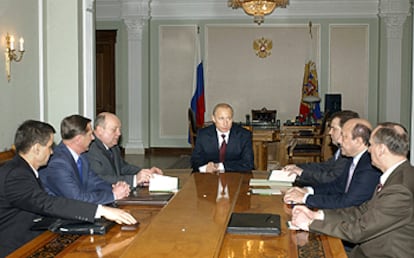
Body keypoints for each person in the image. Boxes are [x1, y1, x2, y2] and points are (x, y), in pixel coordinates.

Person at [0, 120, 137, 257]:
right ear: (36, 149)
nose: (52, 152)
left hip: (36, 237)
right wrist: (101, 210)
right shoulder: (16, 175)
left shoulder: (22, 169)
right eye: (49, 147)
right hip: (17, 249)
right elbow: (47, 203)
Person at [291, 122, 414, 258]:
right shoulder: (401, 174)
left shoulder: (399, 189)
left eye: (371, 145)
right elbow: (362, 210)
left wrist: (310, 223)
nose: (368, 150)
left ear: (381, 150)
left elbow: (359, 231)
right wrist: (318, 215)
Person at [283, 118, 381, 209]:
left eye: (344, 136)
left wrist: (305, 198)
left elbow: (348, 202)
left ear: (358, 141)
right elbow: (337, 187)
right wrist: (308, 190)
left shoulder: (369, 167)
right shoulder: (353, 158)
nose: (339, 140)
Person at [40, 115, 130, 205]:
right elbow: (76, 199)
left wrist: (113, 187)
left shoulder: (82, 156)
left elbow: (93, 181)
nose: (93, 138)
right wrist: (113, 195)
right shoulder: (57, 164)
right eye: (90, 134)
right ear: (78, 139)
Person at [85, 112, 162, 187]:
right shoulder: (90, 149)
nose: (119, 133)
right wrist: (134, 180)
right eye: (114, 129)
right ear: (100, 130)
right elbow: (100, 179)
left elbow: (122, 167)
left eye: (119, 129)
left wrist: (146, 173)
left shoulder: (113, 147)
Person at [283, 110, 359, 187]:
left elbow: (331, 179)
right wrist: (298, 167)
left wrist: (302, 173)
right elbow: (325, 166)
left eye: (334, 129)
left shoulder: (348, 154)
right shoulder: (341, 150)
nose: (329, 132)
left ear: (346, 130)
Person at [191, 103, 254, 173]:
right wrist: (205, 168)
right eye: (221, 118)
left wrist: (220, 166)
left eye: (228, 119)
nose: (225, 123)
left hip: (235, 177)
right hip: (210, 178)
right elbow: (195, 161)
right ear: (213, 119)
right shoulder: (203, 134)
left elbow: (248, 163)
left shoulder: (244, 135)